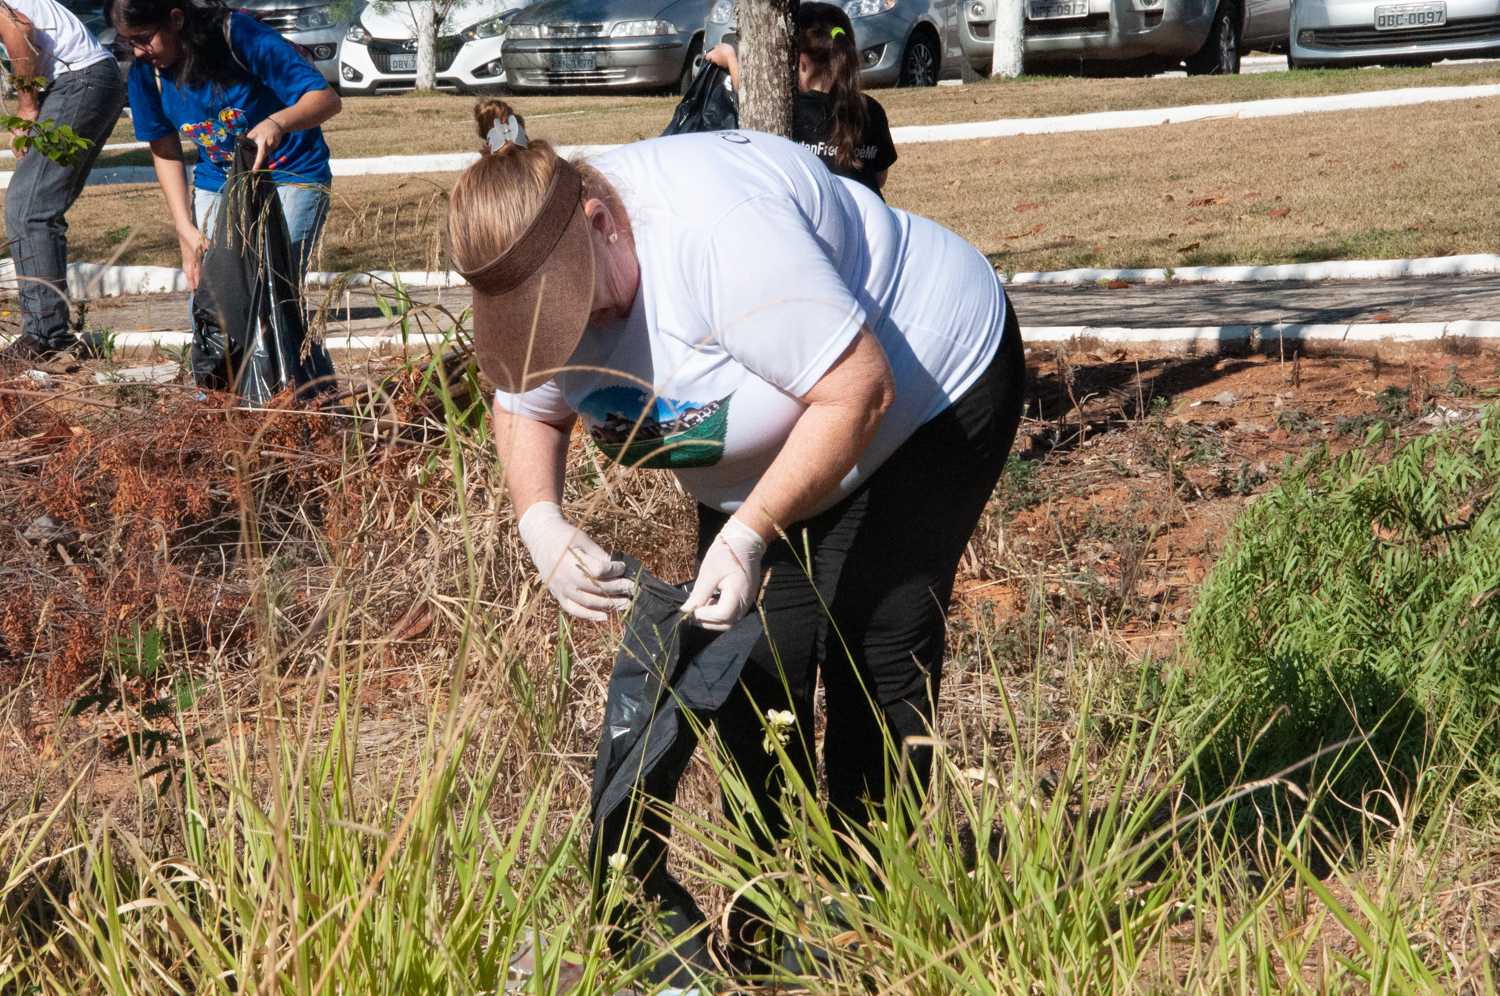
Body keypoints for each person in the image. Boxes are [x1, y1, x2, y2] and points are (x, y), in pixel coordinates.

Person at [450, 99, 1023, 968]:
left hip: (921, 394)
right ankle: (774, 909)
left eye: (573, 309)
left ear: (601, 223)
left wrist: (752, 527)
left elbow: (855, 391)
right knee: (753, 672)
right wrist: (541, 518)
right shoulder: (545, 252)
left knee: (876, 645)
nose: (569, 336)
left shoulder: (719, 235)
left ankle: (871, 915)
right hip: (769, 458)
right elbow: (522, 403)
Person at [107, 0, 340, 290]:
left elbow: (326, 99)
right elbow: (165, 151)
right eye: (129, 42)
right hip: (218, 181)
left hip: (291, 172)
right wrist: (185, 229)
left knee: (275, 287)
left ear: (176, 19)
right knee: (214, 298)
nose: (139, 51)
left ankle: (293, 335)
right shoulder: (146, 72)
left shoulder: (240, 37)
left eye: (144, 39)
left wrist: (277, 123)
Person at [0, 0, 127, 360]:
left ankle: (46, 339)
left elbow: (19, 28)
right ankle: (49, 335)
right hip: (87, 79)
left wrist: (27, 107)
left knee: (28, 209)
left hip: (78, 80)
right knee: (37, 208)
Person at [704, 2, 897, 194]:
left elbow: (750, 103)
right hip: (867, 219)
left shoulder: (788, 110)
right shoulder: (871, 110)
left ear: (801, 63)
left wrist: (731, 59)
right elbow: (879, 179)